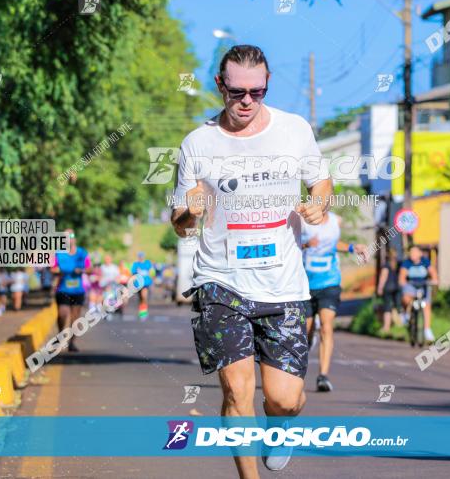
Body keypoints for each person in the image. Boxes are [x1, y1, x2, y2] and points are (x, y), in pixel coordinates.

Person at [170, 44, 332, 477]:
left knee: (283, 399)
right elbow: (180, 225)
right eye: (237, 91)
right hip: (220, 281)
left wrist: (319, 204)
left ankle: (282, 425)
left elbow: (321, 182)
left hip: (284, 285)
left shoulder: (294, 130)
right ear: (220, 85)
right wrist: (190, 211)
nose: (246, 101)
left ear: (266, 86)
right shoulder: (197, 143)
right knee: (237, 391)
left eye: (256, 92)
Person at [300, 211, 367, 392]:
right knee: (306, 329)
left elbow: (333, 243)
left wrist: (354, 248)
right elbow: (288, 244)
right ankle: (308, 342)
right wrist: (306, 244)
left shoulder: (336, 220)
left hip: (329, 282)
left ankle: (323, 376)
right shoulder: (302, 219)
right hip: (304, 284)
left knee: (327, 326)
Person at [51, 230, 91, 352]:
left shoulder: (82, 253)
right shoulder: (59, 253)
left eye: (71, 236)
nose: (69, 239)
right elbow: (52, 269)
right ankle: (60, 335)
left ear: (75, 238)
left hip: (78, 290)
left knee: (75, 319)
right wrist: (60, 271)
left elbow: (90, 268)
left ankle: (72, 343)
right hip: (63, 289)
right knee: (62, 314)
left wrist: (82, 271)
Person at [399, 245, 439, 343]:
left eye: (415, 252)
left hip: (423, 284)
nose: (412, 255)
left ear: (420, 253)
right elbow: (402, 277)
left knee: (426, 305)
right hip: (411, 284)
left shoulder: (425, 261)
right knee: (406, 298)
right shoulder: (407, 263)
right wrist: (403, 283)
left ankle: (427, 330)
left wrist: (435, 280)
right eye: (411, 252)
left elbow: (433, 273)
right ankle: (406, 314)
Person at [376, 250, 401, 334]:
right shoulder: (397, 264)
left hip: (387, 288)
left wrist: (380, 288)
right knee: (396, 307)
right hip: (397, 287)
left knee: (387, 307)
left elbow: (383, 276)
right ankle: (399, 324)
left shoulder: (386, 265)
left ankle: (386, 327)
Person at [130, 251, 155, 321]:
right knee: (141, 299)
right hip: (138, 284)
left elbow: (152, 272)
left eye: (142, 256)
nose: (141, 258)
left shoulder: (147, 263)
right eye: (139, 256)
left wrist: (152, 279)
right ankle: (142, 311)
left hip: (146, 284)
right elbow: (133, 273)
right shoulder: (135, 264)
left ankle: (144, 313)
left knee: (144, 297)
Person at [99, 255, 121, 320]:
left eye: (108, 259)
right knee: (103, 300)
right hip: (103, 286)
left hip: (112, 286)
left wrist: (114, 282)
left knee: (110, 299)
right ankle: (104, 312)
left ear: (111, 260)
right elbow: (100, 276)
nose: (107, 260)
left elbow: (118, 277)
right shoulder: (102, 267)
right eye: (106, 259)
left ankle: (109, 312)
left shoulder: (114, 267)